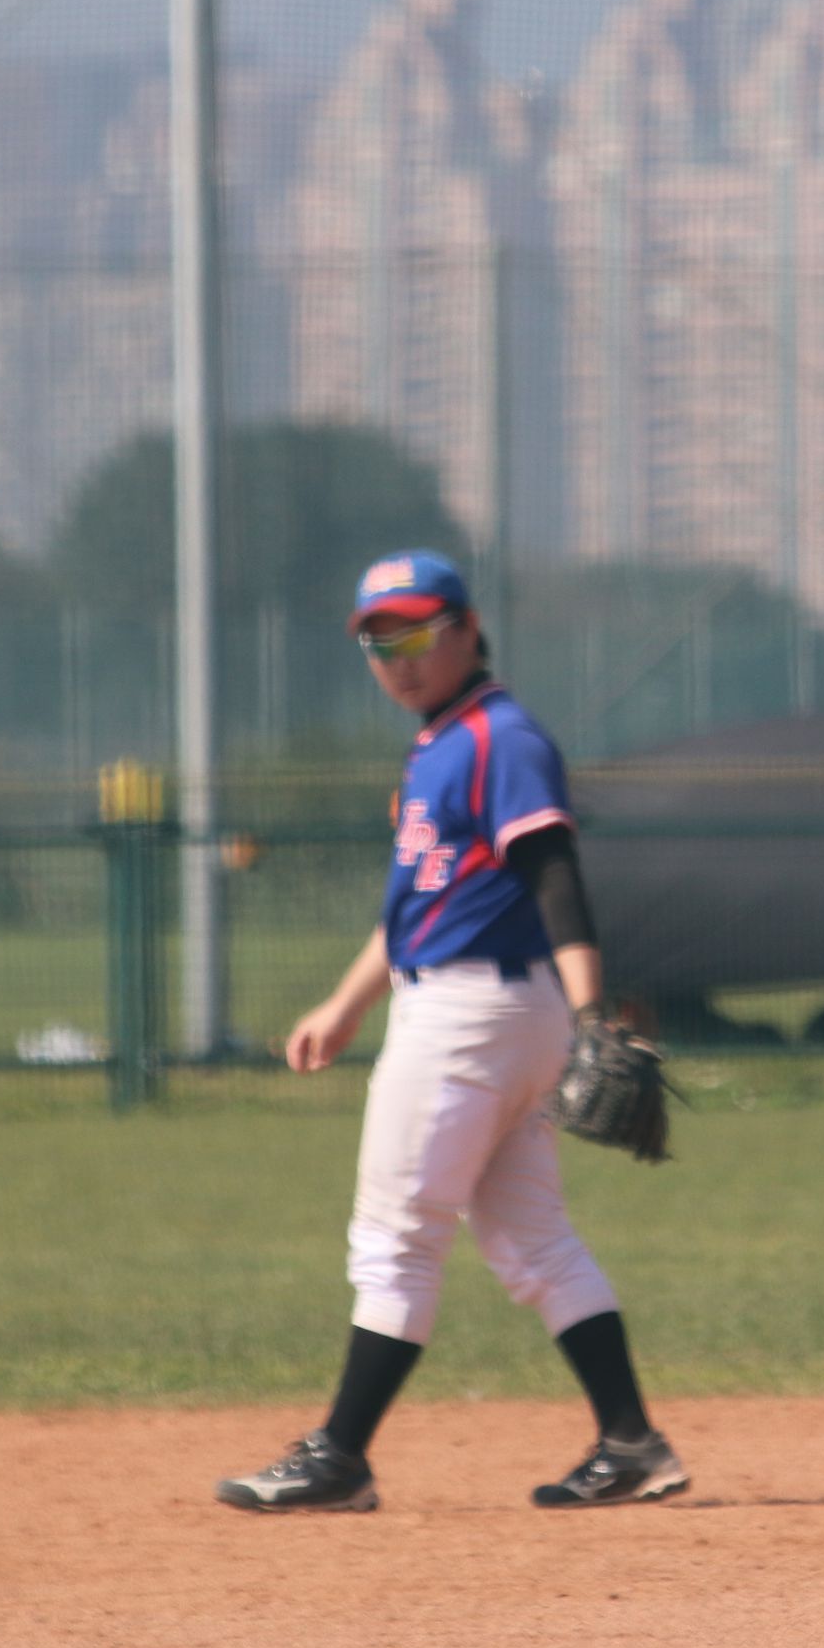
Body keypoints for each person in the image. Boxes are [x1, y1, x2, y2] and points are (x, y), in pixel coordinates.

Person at [216, 550, 687, 1514]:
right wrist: (347, 1004)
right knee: (532, 1239)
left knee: (396, 1235)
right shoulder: (439, 746)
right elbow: (418, 909)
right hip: (486, 1010)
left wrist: (592, 1013)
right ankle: (631, 1442)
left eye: (417, 634)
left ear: (469, 629)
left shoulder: (499, 738)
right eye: (379, 642)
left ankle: (341, 1456)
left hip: (471, 1019)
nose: (398, 659)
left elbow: (554, 876)